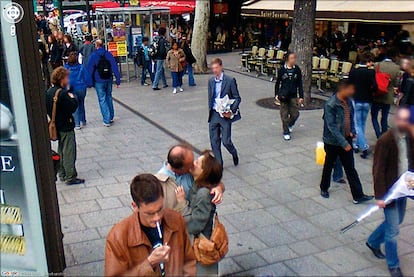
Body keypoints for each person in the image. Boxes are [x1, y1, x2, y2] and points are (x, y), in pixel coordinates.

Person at [105, 174, 196, 276]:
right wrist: (149, 263)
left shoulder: (176, 220)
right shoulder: (118, 236)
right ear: (135, 206)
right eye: (149, 213)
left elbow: (189, 262)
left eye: (160, 209)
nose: (157, 217)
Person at [367, 107, 414, 277]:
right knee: (393, 229)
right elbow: (378, 170)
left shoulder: (409, 137)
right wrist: (380, 197)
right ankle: (393, 265)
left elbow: (410, 160)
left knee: (398, 220)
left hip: (403, 188)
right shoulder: (385, 141)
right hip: (389, 191)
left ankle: (372, 241)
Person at [319, 80, 373, 204]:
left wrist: (352, 131)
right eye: (350, 89)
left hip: (346, 138)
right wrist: (344, 143)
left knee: (350, 168)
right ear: (343, 89)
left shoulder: (349, 101)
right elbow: (331, 126)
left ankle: (358, 195)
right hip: (333, 142)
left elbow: (350, 118)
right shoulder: (331, 104)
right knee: (328, 165)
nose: (352, 92)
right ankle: (324, 188)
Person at [176, 150, 222, 275]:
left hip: (201, 246)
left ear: (204, 172)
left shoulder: (203, 194)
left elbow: (195, 225)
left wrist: (182, 203)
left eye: (197, 163)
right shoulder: (198, 185)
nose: (193, 163)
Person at [45, 67, 84, 185]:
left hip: (57, 125)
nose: (68, 79)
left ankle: (62, 173)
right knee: (69, 150)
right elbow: (72, 107)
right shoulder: (62, 93)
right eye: (66, 77)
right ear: (61, 79)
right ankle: (70, 175)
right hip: (66, 125)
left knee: (61, 149)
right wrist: (73, 98)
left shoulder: (49, 92)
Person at [157, 144, 224, 203]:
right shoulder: (161, 182)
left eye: (195, 161)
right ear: (181, 169)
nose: (193, 164)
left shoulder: (192, 172)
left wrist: (219, 188)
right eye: (190, 164)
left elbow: (212, 179)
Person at [208, 58, 241, 166]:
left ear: (221, 67)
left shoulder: (230, 80)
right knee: (214, 141)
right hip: (214, 114)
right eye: (213, 68)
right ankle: (219, 164)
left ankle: (234, 153)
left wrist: (231, 111)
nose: (215, 70)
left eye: (216, 68)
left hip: (225, 114)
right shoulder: (211, 81)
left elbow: (237, 98)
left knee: (226, 141)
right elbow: (211, 97)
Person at [349, 52, 377, 158]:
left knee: (356, 124)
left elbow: (349, 85)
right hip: (367, 100)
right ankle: (358, 144)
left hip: (356, 99)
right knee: (362, 123)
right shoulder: (371, 72)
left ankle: (362, 146)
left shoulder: (353, 72)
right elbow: (375, 87)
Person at [87, 39, 121, 127]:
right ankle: (111, 116)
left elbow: (90, 70)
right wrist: (117, 79)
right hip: (108, 78)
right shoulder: (108, 54)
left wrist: (89, 83)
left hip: (98, 80)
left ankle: (106, 119)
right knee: (109, 96)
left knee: (102, 99)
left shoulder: (93, 56)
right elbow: (114, 66)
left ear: (96, 45)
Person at [274, 52, 304, 141]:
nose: (293, 60)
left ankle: (290, 124)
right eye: (291, 58)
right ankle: (286, 131)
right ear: (287, 59)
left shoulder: (297, 69)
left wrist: (301, 96)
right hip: (283, 96)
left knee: (295, 114)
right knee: (284, 115)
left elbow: (300, 83)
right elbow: (278, 83)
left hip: (293, 96)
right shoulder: (282, 70)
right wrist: (276, 94)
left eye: (294, 58)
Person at [371, 48, 400, 138]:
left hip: (377, 94)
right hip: (388, 95)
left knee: (374, 116)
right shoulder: (396, 68)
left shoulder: (377, 65)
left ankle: (378, 135)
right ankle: (384, 135)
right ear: (394, 57)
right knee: (384, 117)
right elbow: (396, 83)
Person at [64, 52, 92, 130]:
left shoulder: (66, 68)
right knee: (81, 103)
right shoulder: (81, 67)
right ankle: (83, 120)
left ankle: (77, 124)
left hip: (71, 89)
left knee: (74, 106)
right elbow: (87, 78)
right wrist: (89, 84)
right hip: (81, 88)